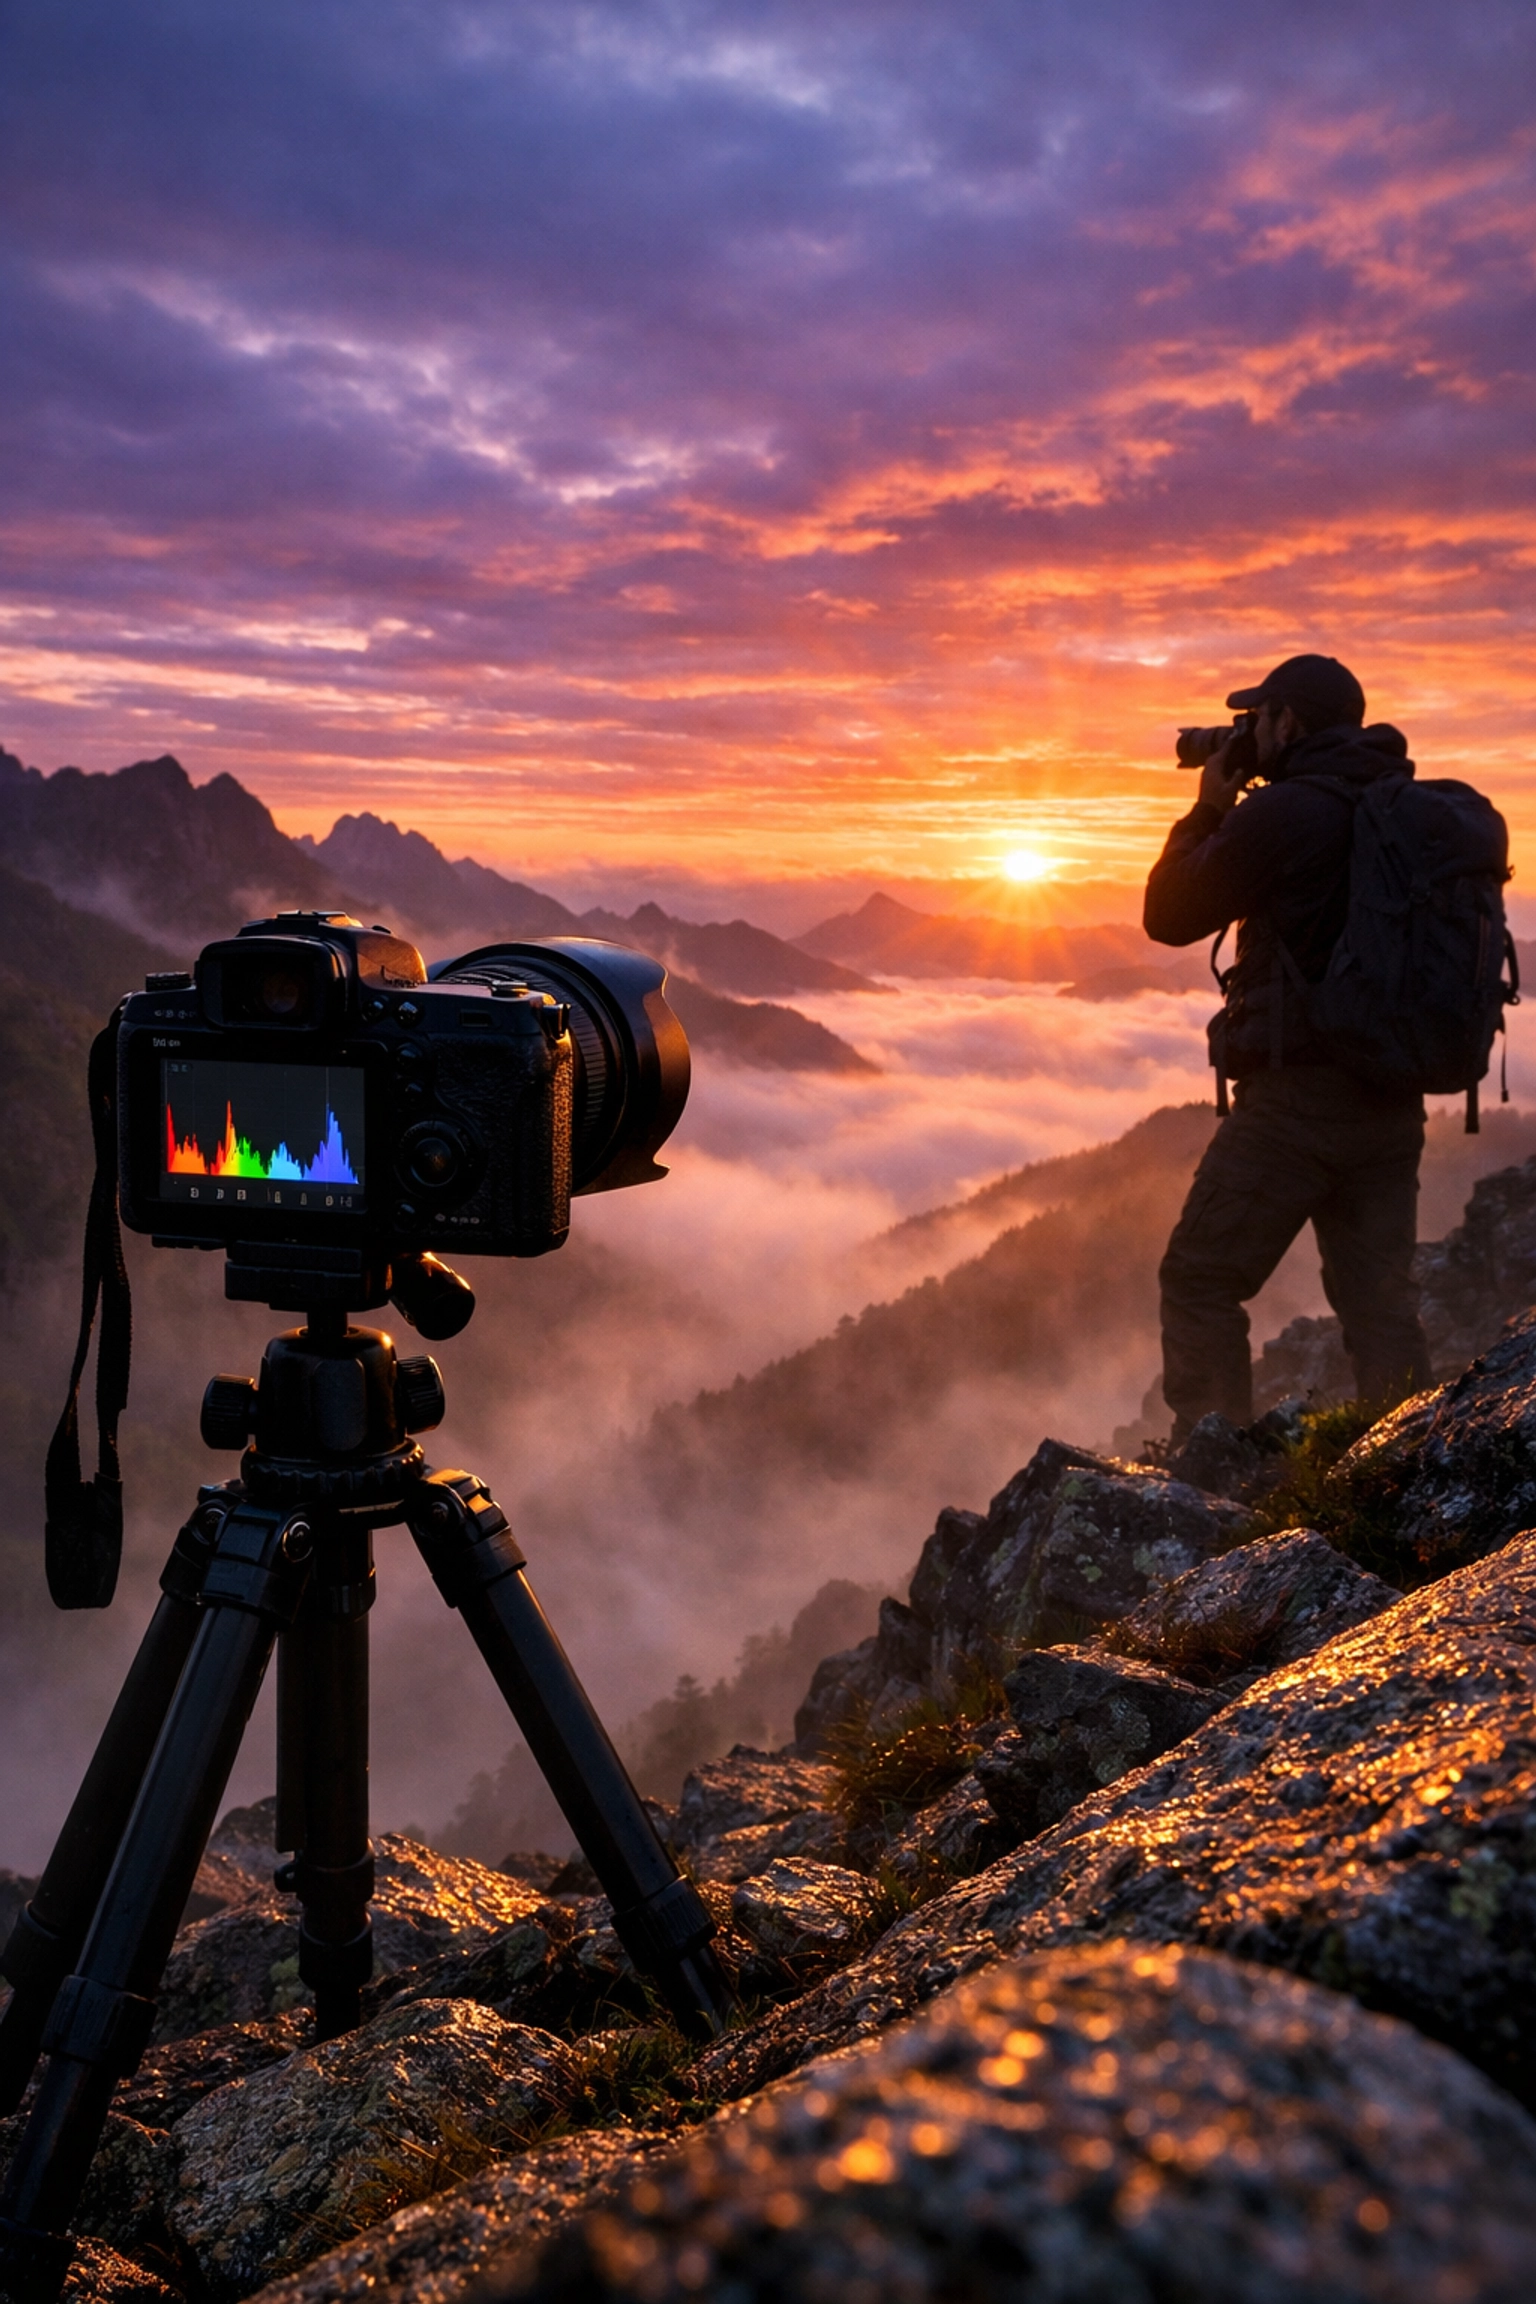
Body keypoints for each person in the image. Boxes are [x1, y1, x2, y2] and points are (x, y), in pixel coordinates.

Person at [1145, 652, 1432, 1443]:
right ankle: (1411, 1476)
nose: (1246, 731)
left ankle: (1212, 1475)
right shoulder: (1394, 802)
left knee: (1200, 1277)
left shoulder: (1288, 811)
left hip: (1298, 1102)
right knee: (1380, 1305)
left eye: (1257, 718)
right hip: (1391, 1098)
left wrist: (1209, 808)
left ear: (1289, 722)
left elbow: (1168, 914)